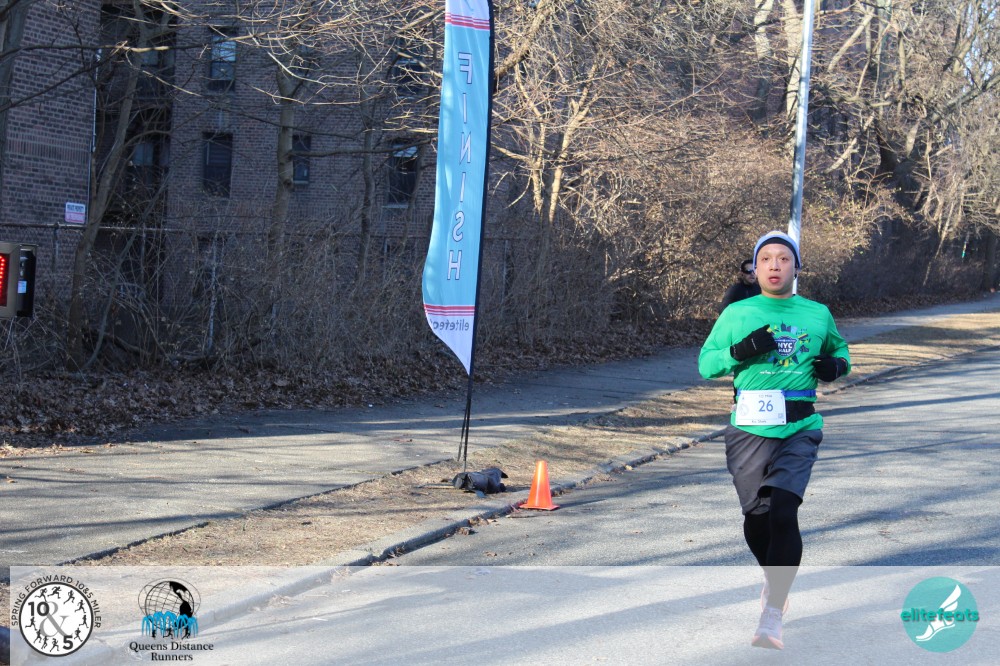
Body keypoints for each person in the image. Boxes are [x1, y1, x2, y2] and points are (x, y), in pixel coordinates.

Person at [698, 230, 850, 650]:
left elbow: (841, 353)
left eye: (784, 258)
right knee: (757, 519)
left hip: (800, 427)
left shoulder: (817, 313)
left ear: (796, 267)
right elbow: (706, 364)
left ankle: (773, 611)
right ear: (755, 268)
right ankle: (775, 577)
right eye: (766, 258)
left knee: (784, 510)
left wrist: (836, 367)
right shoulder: (737, 313)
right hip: (748, 428)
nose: (775, 265)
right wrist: (740, 350)